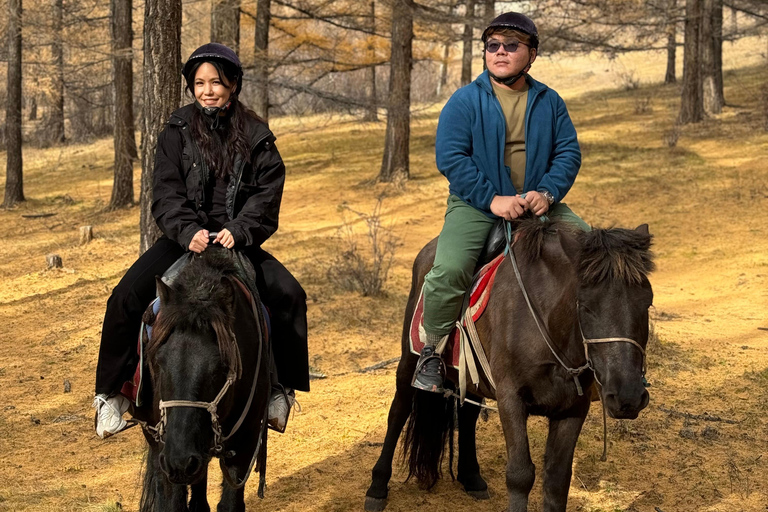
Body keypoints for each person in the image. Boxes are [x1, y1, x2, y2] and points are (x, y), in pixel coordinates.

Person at [93, 43, 309, 437]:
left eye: (216, 82)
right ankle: (112, 396)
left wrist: (240, 230)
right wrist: (188, 231)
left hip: (235, 239)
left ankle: (280, 391)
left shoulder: (258, 136)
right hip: (183, 239)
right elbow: (165, 191)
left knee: (291, 295)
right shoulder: (175, 131)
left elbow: (267, 194)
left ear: (233, 84)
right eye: (199, 83)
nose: (207, 90)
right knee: (124, 297)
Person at [412, 12, 590, 393]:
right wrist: (492, 200)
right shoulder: (464, 101)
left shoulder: (550, 102)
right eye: (493, 46)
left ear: (532, 54)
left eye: (511, 46)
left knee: (594, 254)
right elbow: (451, 158)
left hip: (540, 203)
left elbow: (568, 153)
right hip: (476, 204)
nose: (500, 53)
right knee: (449, 269)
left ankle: (597, 349)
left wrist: (547, 192)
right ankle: (432, 349)